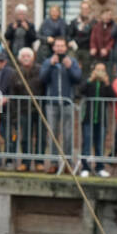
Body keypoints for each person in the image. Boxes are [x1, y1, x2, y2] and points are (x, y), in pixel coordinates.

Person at [38, 37, 81, 174]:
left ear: (66, 48)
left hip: (67, 103)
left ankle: (68, 163)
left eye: (62, 46)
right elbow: (42, 79)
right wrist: (51, 65)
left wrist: (69, 68)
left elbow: (78, 78)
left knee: (68, 134)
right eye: (57, 46)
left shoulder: (72, 62)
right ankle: (53, 163)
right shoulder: (47, 62)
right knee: (52, 135)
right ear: (53, 48)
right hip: (52, 104)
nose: (60, 48)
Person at [9, 46, 43, 171]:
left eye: (28, 56)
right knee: (25, 138)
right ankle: (26, 162)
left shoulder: (40, 70)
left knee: (40, 137)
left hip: (39, 109)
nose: (26, 58)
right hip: (23, 110)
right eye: (23, 56)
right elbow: (13, 93)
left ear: (33, 57)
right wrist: (14, 114)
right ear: (19, 59)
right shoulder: (16, 73)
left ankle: (39, 162)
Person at [77, 62, 112, 177]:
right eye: (98, 70)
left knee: (100, 144)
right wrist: (89, 80)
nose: (100, 72)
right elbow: (80, 91)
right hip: (88, 118)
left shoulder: (105, 84)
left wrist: (107, 84)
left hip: (101, 119)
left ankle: (100, 167)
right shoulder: (90, 81)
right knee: (86, 143)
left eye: (102, 70)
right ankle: (85, 167)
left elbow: (112, 97)